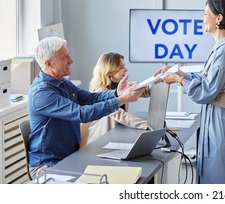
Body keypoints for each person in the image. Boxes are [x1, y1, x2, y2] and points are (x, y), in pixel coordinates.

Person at [28, 37, 146, 179]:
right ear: (48, 64)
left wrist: (116, 93)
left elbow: (91, 98)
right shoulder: (41, 93)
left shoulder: (62, 82)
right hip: (48, 165)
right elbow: (82, 114)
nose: (71, 60)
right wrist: (121, 99)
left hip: (70, 157)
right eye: (65, 57)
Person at [156, 0, 225, 184]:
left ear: (219, 18)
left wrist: (178, 79)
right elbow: (206, 80)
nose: (203, 18)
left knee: (219, 180)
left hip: (221, 123)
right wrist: (178, 72)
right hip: (216, 119)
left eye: (206, 14)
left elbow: (206, 91)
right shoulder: (220, 49)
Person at [80, 52, 149, 147]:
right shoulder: (100, 92)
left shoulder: (118, 87)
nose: (126, 69)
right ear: (109, 70)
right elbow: (120, 115)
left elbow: (143, 90)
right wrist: (148, 126)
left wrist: (159, 80)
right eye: (121, 67)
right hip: (99, 144)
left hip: (113, 138)